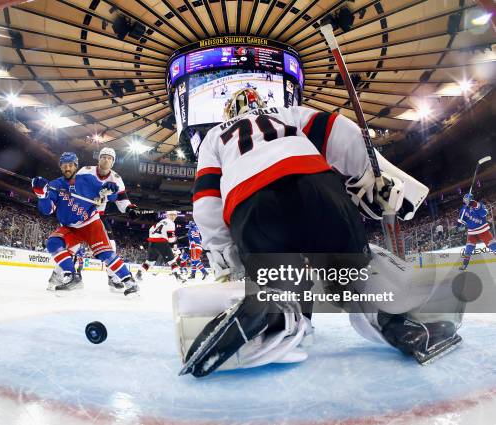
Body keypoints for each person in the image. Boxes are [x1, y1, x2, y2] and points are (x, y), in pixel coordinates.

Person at [177, 88, 462, 377]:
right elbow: (341, 131)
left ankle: (278, 317)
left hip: (251, 202)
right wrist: (370, 173)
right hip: (316, 185)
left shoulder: (213, 138)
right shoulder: (289, 113)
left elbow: (207, 200)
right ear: (262, 104)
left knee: (283, 285)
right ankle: (403, 323)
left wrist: (224, 257)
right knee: (355, 275)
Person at [32, 152, 138, 296]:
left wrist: (110, 188)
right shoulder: (55, 185)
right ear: (60, 168)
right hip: (71, 227)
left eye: (70, 165)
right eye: (64, 166)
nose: (67, 168)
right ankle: (72, 276)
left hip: (90, 223)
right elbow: (47, 210)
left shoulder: (87, 179)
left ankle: (129, 282)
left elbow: (109, 194)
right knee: (53, 243)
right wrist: (42, 196)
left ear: (76, 166)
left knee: (105, 254)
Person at [80, 147, 140, 291]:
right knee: (72, 246)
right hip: (79, 213)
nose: (106, 159)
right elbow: (74, 188)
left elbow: (122, 200)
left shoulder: (116, 179)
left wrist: (129, 208)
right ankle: (63, 275)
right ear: (98, 158)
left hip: (97, 216)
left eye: (109, 158)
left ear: (113, 162)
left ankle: (112, 277)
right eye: (104, 156)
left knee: (111, 247)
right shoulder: (85, 171)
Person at [135, 211, 186, 282]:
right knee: (172, 261)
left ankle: (139, 274)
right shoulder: (171, 223)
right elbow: (171, 240)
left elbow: (150, 229)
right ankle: (178, 277)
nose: (173, 216)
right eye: (171, 215)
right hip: (162, 243)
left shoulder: (160, 222)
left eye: (175, 215)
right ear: (167, 215)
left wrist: (155, 237)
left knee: (149, 262)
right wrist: (174, 239)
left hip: (152, 243)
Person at [458, 193, 496, 270]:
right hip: (472, 231)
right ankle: (465, 264)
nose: (465, 201)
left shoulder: (478, 204)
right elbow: (461, 221)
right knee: (469, 248)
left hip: (482, 229)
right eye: (465, 199)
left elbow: (484, 213)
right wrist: (460, 224)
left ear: (471, 199)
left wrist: (475, 205)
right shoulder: (463, 209)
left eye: (467, 199)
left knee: (492, 245)